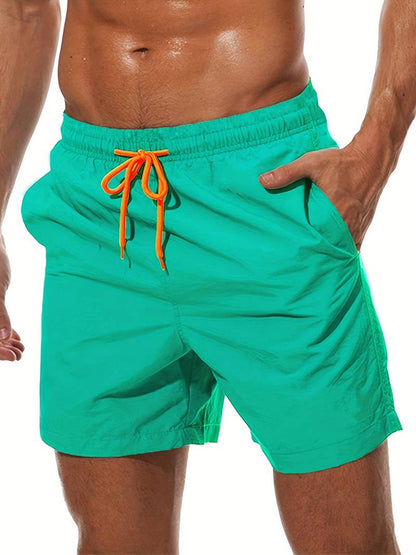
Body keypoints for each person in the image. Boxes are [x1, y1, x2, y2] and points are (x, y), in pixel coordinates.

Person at [1, 1, 414, 553]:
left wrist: (375, 154)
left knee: (348, 545)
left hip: (264, 195)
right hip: (97, 211)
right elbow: (23, 12)